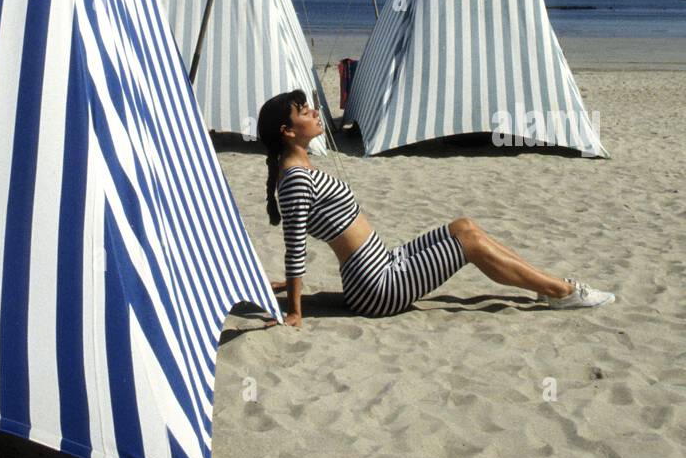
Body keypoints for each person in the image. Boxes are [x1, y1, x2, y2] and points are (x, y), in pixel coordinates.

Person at [258, 89, 615, 328]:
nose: (316, 112)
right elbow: (295, 246)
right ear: (288, 131)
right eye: (306, 112)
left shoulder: (299, 171)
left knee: (464, 227)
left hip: (384, 265)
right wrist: (294, 310)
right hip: (377, 288)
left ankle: (547, 285)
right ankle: (561, 292)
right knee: (470, 245)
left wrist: (281, 287)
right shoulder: (296, 179)